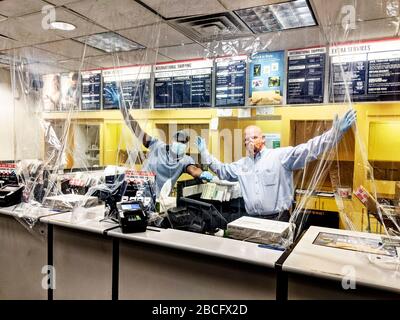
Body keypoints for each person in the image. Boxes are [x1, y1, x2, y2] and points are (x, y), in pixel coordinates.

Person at [195, 109, 357, 221]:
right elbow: (222, 171)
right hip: (252, 219)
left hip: (278, 219)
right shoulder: (242, 165)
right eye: (245, 139)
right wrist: (204, 153)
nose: (248, 142)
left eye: (253, 138)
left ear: (263, 139)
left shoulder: (280, 156)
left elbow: (309, 149)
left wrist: (335, 134)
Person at [121, 107, 213, 197]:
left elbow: (194, 170)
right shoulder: (158, 146)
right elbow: (138, 131)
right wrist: (124, 110)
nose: (180, 144)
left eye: (183, 142)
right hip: (137, 192)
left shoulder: (185, 161)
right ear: (172, 141)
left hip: (159, 200)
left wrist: (202, 174)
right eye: (178, 141)